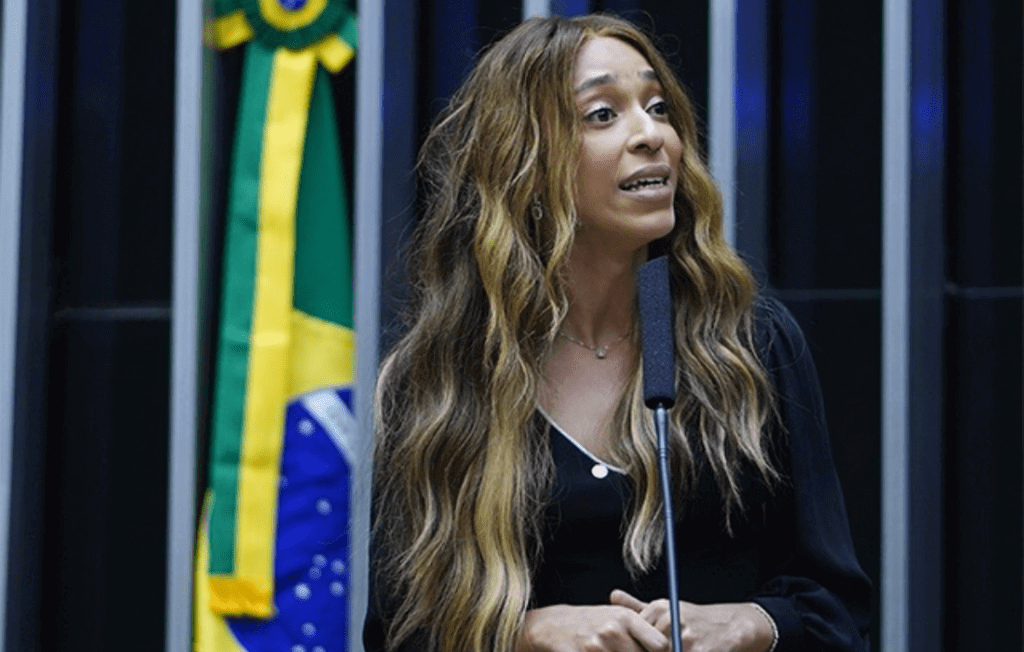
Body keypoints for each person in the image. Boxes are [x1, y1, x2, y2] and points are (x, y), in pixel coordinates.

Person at [364, 13, 871, 652]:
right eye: (602, 114)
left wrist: (749, 623)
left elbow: (838, 613)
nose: (651, 134)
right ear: (525, 161)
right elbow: (400, 633)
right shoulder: (442, 374)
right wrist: (526, 633)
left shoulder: (750, 346)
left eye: (658, 108)